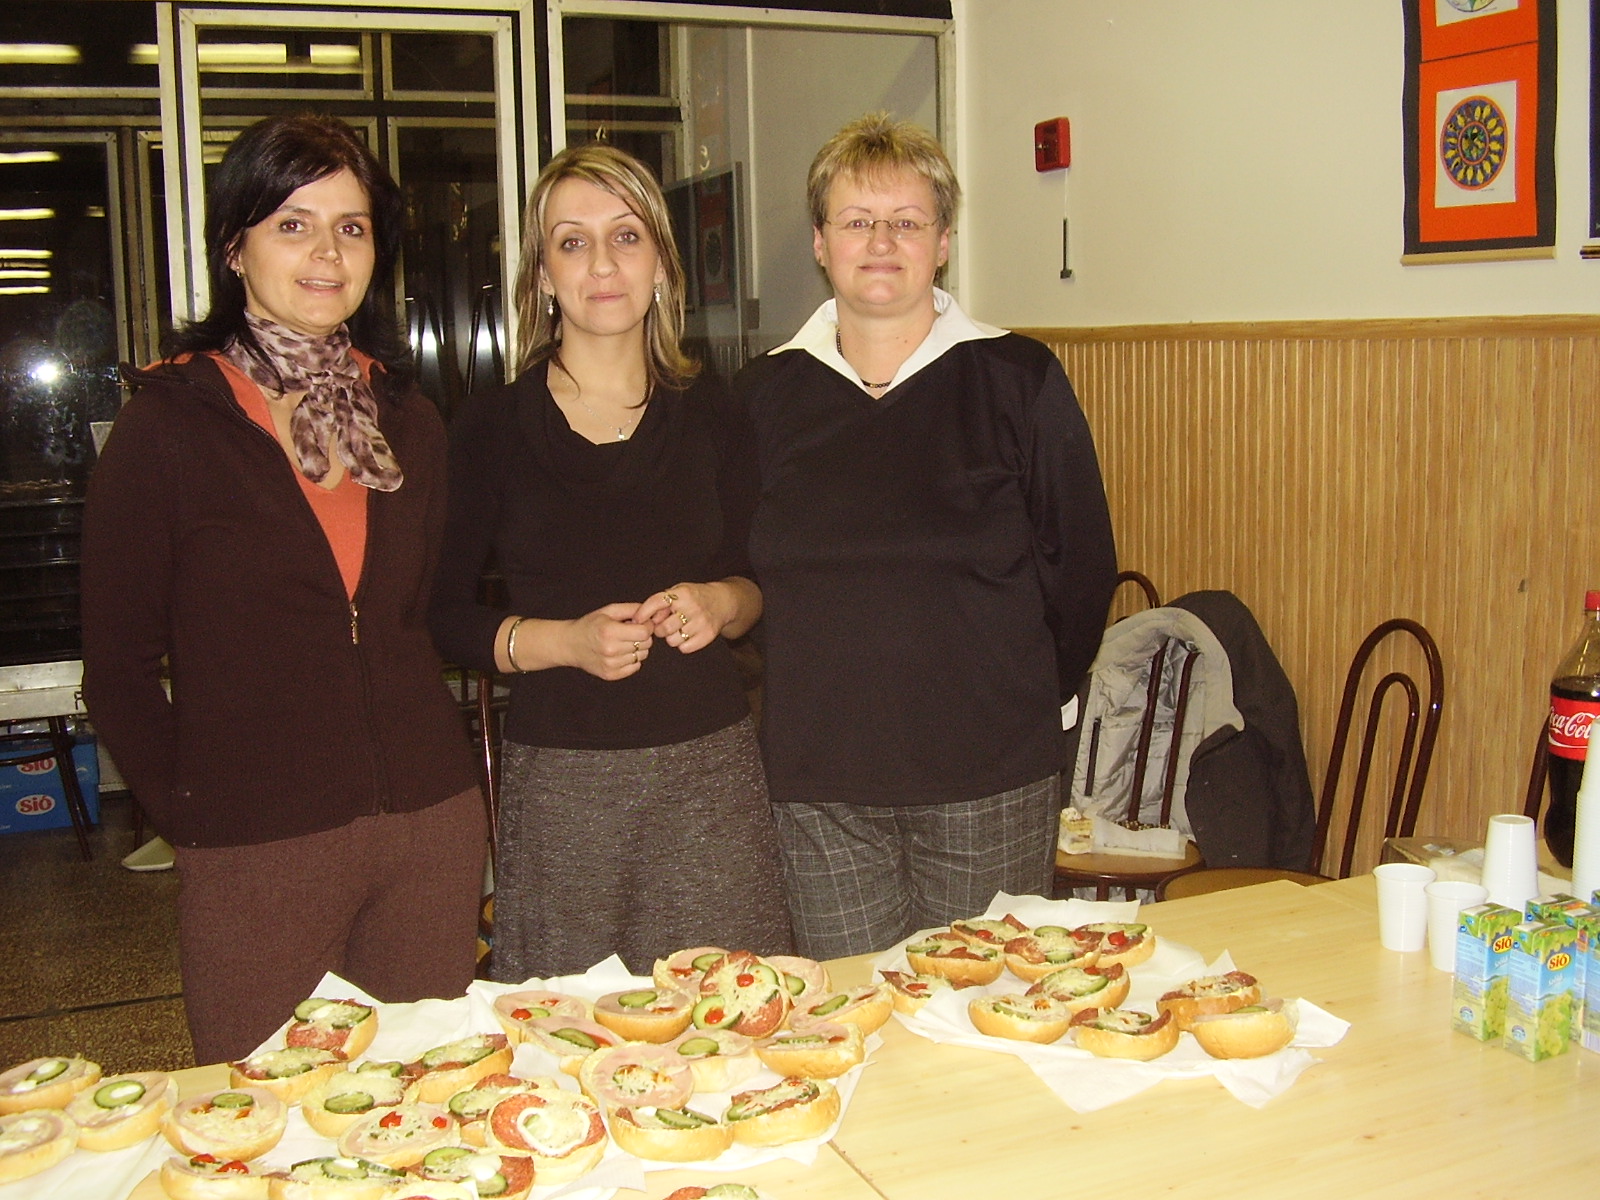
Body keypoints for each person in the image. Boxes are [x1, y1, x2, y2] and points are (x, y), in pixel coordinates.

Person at [80, 113, 485, 1063]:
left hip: (429, 829)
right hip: (256, 845)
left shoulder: (408, 422)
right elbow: (118, 669)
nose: (326, 253)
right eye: (293, 224)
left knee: (426, 1100)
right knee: (261, 1107)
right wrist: (198, 815)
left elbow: (417, 618)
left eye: (351, 227)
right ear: (236, 245)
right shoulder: (169, 427)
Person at [737, 113, 1118, 959]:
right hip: (820, 785)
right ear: (820, 242)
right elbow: (740, 580)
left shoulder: (1018, 378)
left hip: (989, 776)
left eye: (907, 222)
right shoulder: (762, 396)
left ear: (943, 242)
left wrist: (1015, 696)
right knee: (853, 1014)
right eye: (857, 221)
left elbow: (1082, 571)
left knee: (982, 1013)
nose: (882, 242)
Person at [428, 144, 793, 981]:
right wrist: (564, 642)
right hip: (563, 786)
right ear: (543, 276)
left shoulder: (715, 412)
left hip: (710, 777)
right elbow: (442, 615)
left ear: (661, 263)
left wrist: (719, 603)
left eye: (626, 237)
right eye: (573, 241)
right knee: (566, 1026)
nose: (601, 264)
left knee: (731, 1010)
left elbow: (758, 583)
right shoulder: (490, 428)